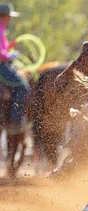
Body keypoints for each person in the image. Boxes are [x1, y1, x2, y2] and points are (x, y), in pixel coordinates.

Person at [0, 3, 28, 136]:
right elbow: (1, 54)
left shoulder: (2, 29)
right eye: (9, 16)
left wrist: (9, 47)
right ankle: (14, 118)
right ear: (4, 16)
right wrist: (9, 55)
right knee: (23, 86)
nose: (10, 19)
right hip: (2, 67)